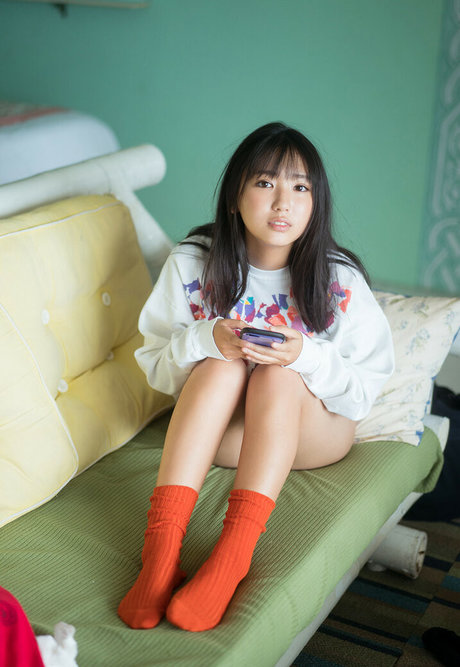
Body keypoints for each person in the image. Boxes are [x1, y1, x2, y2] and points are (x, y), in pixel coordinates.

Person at [117, 121, 394, 632]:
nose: (283, 202)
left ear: (316, 203)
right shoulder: (192, 263)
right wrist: (207, 339)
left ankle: (233, 556)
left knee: (277, 374)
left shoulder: (339, 279)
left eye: (300, 187)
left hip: (313, 436)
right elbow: (157, 369)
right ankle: (160, 553)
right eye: (265, 183)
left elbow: (361, 395)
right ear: (234, 197)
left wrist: (305, 356)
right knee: (221, 362)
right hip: (225, 437)